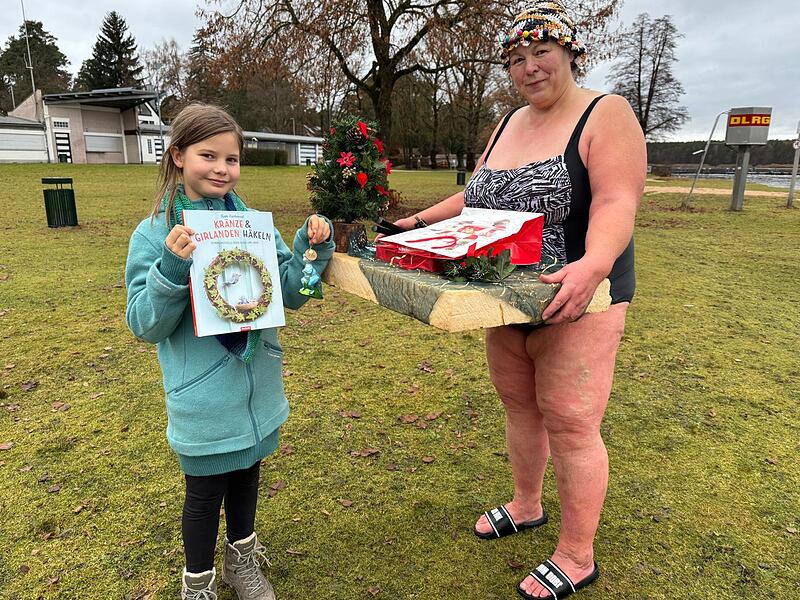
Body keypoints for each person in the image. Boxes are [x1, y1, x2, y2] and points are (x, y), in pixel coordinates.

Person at [393, 3, 645, 598]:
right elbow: (474, 198)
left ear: (570, 54)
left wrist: (594, 266)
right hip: (503, 294)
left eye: (542, 52)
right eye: (517, 59)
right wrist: (414, 224)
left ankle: (576, 555)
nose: (529, 67)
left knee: (572, 421)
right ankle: (527, 504)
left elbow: (617, 200)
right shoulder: (507, 122)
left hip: (576, 296)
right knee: (519, 406)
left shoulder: (606, 113)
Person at [125, 103, 333, 600]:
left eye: (232, 159)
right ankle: (197, 583)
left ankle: (241, 562)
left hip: (257, 392)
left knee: (245, 480)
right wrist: (171, 270)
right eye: (208, 155)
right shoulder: (154, 233)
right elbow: (145, 325)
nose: (222, 169)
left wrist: (312, 247)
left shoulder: (253, 226)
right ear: (178, 155)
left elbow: (292, 293)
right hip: (203, 400)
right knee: (203, 498)